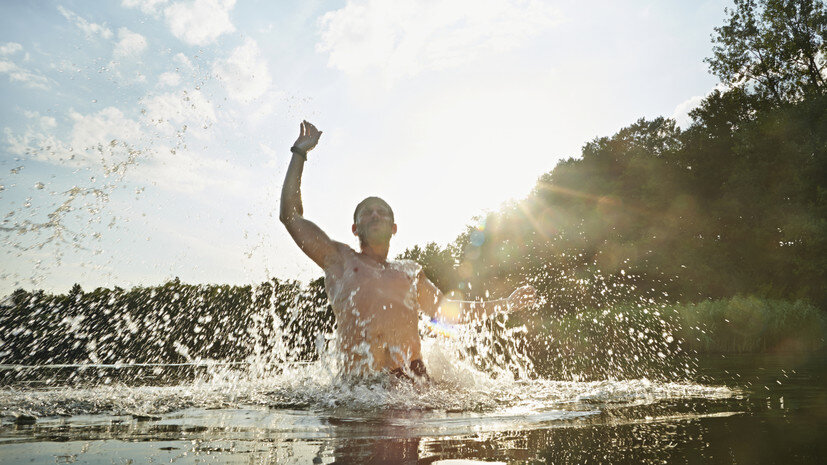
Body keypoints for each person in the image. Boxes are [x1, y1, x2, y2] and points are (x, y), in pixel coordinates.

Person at [280, 121, 537, 380]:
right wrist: (299, 153)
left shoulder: (410, 271)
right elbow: (290, 216)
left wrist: (506, 303)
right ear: (355, 229)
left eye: (382, 212)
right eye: (367, 213)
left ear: (394, 228)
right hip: (358, 390)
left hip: (412, 385)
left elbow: (446, 311)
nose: (375, 215)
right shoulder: (339, 260)